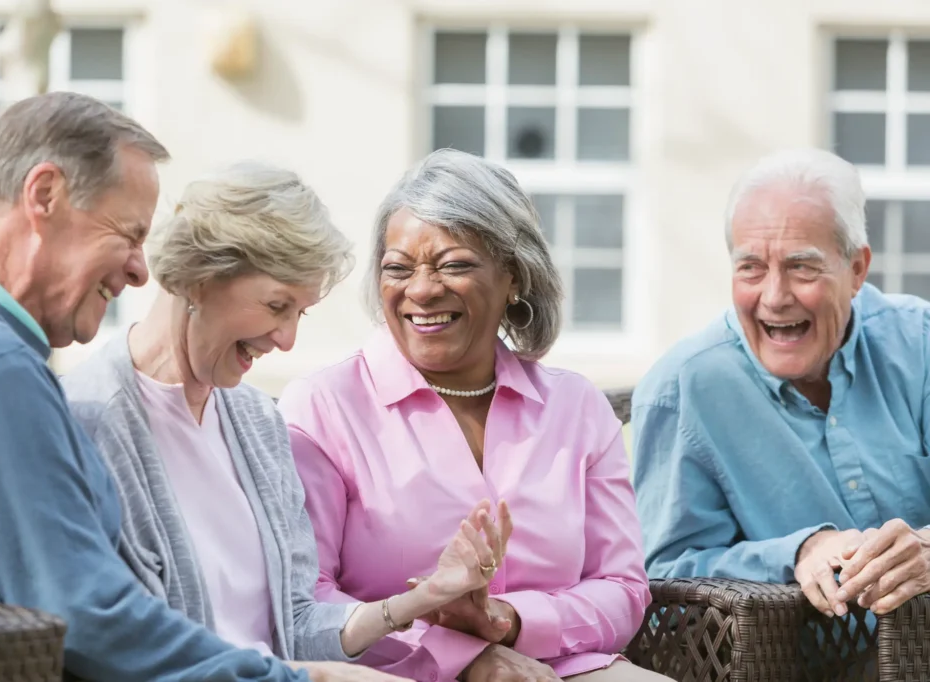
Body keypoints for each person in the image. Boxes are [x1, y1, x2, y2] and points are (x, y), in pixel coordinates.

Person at [0, 90, 329, 682]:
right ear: (44, 195)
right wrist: (300, 680)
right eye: (128, 234)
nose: (140, 268)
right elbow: (87, 615)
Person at [61, 160, 510, 681]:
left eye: (300, 313)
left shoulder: (256, 421)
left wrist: (424, 597)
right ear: (199, 278)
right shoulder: (88, 421)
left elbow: (296, 624)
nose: (287, 339)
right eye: (277, 305)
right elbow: (133, 650)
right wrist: (316, 678)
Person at [279, 149, 665, 682]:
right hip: (392, 672)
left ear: (513, 276)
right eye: (398, 268)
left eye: (454, 264)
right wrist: (464, 658)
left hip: (564, 668)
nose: (420, 289)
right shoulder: (324, 407)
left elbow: (622, 589)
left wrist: (509, 623)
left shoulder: (577, 408)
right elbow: (308, 604)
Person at [632, 148, 930, 622]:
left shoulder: (919, 341)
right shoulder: (682, 389)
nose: (774, 296)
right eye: (751, 267)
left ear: (856, 270)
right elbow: (662, 578)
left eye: (801, 266)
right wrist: (795, 553)